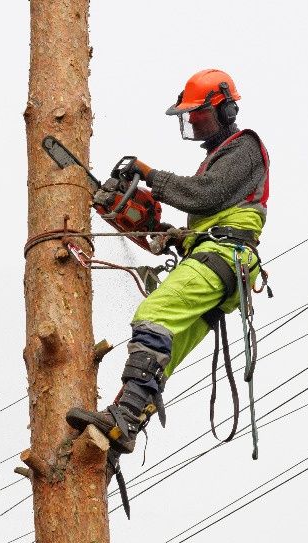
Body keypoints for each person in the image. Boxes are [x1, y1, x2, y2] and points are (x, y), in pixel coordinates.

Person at [65, 69, 270, 482]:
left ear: (226, 109)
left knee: (153, 314)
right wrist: (170, 234)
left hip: (224, 256)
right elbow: (207, 210)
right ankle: (121, 431)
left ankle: (122, 421)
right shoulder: (216, 157)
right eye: (189, 115)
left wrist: (151, 176)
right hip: (217, 258)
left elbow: (205, 194)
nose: (192, 121)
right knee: (166, 351)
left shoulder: (244, 146)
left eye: (199, 113)